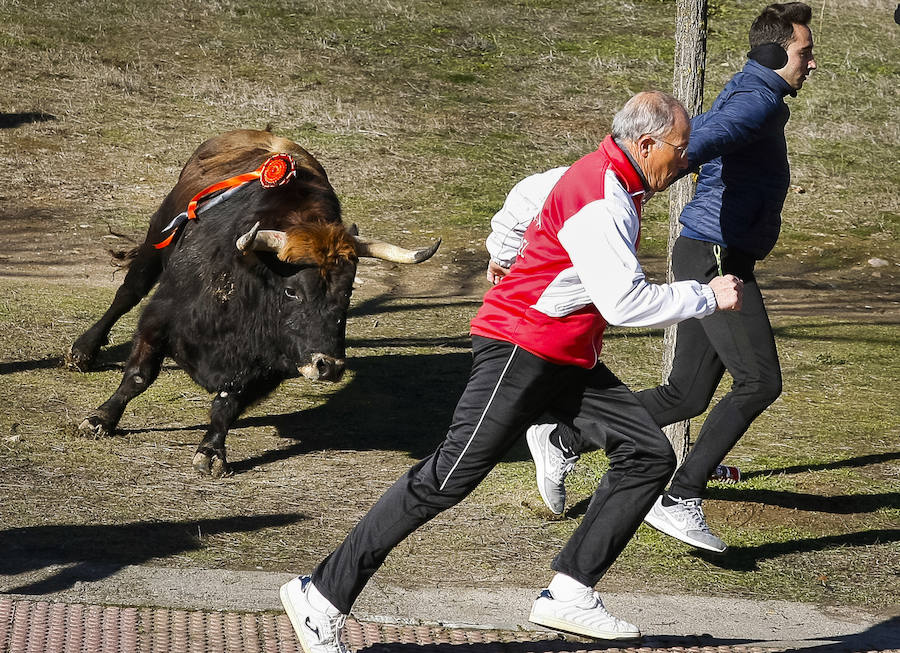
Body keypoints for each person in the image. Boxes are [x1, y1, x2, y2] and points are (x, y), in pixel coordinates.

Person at [279, 90, 744, 653]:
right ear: (645, 144)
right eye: (680, 147)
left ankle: (570, 591)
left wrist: (507, 247)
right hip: (520, 347)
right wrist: (705, 296)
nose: (685, 159)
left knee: (648, 453)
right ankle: (320, 595)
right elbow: (624, 304)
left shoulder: (609, 179)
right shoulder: (604, 197)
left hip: (566, 356)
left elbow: (529, 194)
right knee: (447, 478)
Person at [502, 2, 817, 554]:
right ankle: (679, 497)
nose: (811, 64)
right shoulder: (759, 100)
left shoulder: (754, 92)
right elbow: (697, 142)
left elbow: (699, 145)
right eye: (804, 52)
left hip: (712, 254)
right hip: (715, 259)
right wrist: (626, 181)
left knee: (688, 393)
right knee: (760, 381)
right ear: (774, 53)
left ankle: (562, 437)